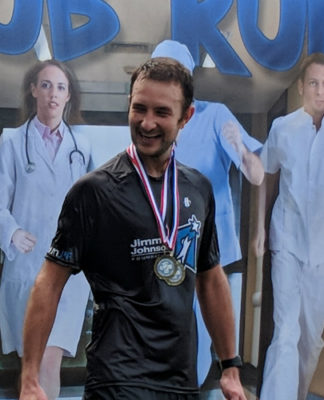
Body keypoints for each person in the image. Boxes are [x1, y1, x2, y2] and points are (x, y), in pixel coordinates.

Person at [19, 58, 247, 400]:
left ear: (186, 117)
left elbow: (211, 279)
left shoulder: (198, 189)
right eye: (139, 108)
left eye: (162, 112)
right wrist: (29, 376)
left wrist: (230, 366)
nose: (147, 122)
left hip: (180, 381)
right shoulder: (93, 191)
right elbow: (49, 283)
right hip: (116, 380)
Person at [151, 40, 265, 390]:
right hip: (157, 245)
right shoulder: (150, 121)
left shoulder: (214, 116)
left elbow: (256, 174)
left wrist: (243, 154)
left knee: (197, 335)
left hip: (203, 249)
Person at [0, 59, 91, 399]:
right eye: (45, 85)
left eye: (60, 87)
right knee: (31, 364)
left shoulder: (82, 147)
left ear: (68, 94)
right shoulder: (13, 141)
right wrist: (11, 232)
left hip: (69, 272)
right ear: (33, 90)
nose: (52, 94)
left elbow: (93, 208)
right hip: (26, 266)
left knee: (50, 361)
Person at [258, 52, 324, 400]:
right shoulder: (282, 128)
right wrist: (260, 230)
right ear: (301, 87)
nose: (320, 91)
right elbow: (266, 175)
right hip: (286, 241)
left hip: (322, 252)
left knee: (311, 339)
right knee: (286, 333)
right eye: (313, 83)